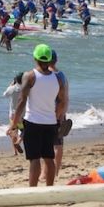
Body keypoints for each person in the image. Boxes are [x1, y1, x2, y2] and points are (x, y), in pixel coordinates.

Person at [7, 44, 65, 187]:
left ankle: (32, 189)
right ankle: (49, 189)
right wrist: (56, 118)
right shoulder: (58, 79)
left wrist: (14, 123)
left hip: (33, 122)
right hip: (50, 123)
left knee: (34, 159)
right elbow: (62, 101)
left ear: (35, 58)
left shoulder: (30, 75)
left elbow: (21, 101)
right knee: (49, 158)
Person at [46, 50, 70, 180]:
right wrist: (63, 113)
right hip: (61, 113)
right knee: (58, 144)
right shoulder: (62, 75)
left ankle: (48, 173)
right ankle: (55, 172)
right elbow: (66, 96)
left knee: (49, 145)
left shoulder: (51, 76)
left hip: (52, 114)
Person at [3, 74, 24, 155]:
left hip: (13, 114)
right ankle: (19, 141)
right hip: (23, 114)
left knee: (13, 131)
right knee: (24, 130)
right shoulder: (26, 89)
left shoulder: (12, 88)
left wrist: (10, 85)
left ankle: (15, 152)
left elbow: (5, 94)